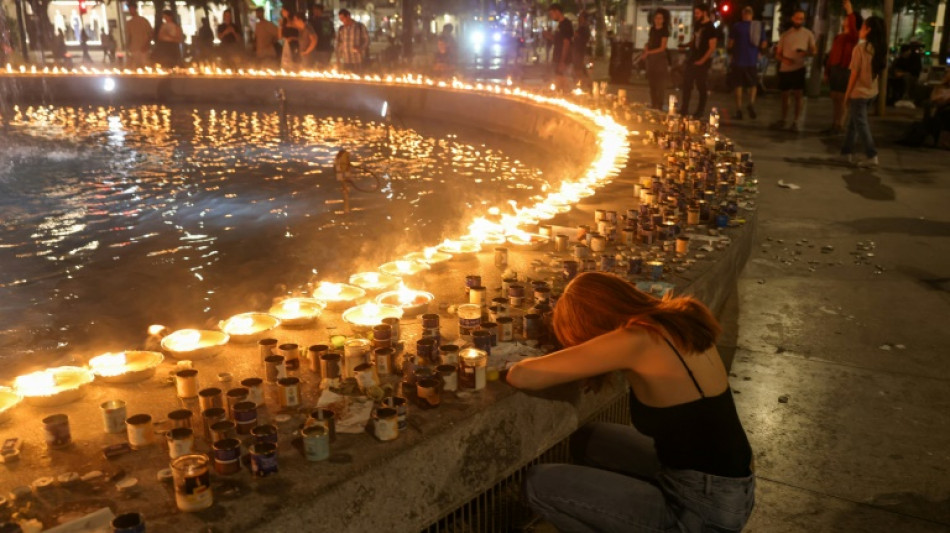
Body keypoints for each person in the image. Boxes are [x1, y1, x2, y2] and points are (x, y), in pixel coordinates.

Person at [507, 272, 755, 531]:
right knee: (588, 439)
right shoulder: (675, 318)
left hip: (702, 510)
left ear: (592, 324)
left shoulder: (637, 340)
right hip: (728, 487)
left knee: (538, 484)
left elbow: (522, 375)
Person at [841, 16, 887, 167]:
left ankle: (871, 155)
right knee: (854, 123)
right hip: (872, 92)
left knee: (860, 124)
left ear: (869, 30)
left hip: (859, 93)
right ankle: (846, 153)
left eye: (863, 28)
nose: (860, 30)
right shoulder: (880, 49)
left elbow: (854, 74)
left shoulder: (860, 49)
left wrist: (847, 95)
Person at [773, 10, 816, 131]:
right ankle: (783, 119)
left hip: (799, 68)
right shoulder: (785, 35)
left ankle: (796, 121)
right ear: (793, 19)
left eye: (801, 18)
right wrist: (784, 60)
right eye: (797, 18)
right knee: (785, 95)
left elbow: (814, 51)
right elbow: (778, 54)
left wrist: (806, 53)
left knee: (798, 95)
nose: (799, 21)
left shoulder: (808, 34)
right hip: (786, 69)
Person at [823, 0, 861, 134]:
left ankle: (840, 124)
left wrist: (850, 11)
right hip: (835, 69)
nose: (845, 21)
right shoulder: (839, 37)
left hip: (845, 69)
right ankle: (835, 123)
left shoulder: (853, 37)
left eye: (847, 19)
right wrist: (827, 72)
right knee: (835, 97)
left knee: (843, 98)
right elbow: (831, 56)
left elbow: (854, 33)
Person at [681, 4, 717, 119]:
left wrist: (702, 61)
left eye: (698, 13)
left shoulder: (711, 28)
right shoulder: (697, 25)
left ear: (704, 13)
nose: (696, 15)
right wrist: (685, 45)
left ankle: (700, 111)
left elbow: (712, 47)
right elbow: (694, 40)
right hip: (693, 58)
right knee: (687, 84)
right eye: (695, 13)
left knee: (701, 86)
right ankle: (684, 109)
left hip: (703, 61)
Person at [728, 6, 765, 119]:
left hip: (738, 60)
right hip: (752, 60)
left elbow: (730, 43)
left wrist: (730, 52)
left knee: (738, 86)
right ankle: (751, 103)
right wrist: (759, 52)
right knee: (753, 84)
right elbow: (763, 43)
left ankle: (739, 110)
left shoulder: (737, 26)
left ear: (742, 15)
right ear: (752, 15)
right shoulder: (758, 27)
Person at [643, 8, 670, 110]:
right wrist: (646, 47)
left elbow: (662, 47)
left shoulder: (664, 31)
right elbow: (650, 42)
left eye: (660, 18)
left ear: (663, 20)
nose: (658, 20)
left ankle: (659, 104)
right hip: (651, 59)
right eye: (656, 18)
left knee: (660, 84)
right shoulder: (652, 29)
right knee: (652, 82)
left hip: (659, 58)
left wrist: (649, 52)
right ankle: (654, 103)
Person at [547, 3, 573, 92]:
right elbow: (558, 41)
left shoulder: (566, 24)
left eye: (551, 14)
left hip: (564, 59)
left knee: (563, 82)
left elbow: (566, 43)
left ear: (557, 12)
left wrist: (562, 61)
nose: (551, 16)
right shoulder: (560, 25)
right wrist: (549, 36)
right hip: (558, 58)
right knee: (558, 81)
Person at [335, 9, 369, 73]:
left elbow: (366, 40)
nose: (342, 21)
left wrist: (360, 48)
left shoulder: (359, 27)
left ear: (348, 16)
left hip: (357, 60)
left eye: (343, 19)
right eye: (340, 19)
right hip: (346, 60)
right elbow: (338, 43)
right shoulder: (341, 29)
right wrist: (338, 58)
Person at [124, 3, 153, 69]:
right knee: (135, 67)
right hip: (134, 48)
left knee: (146, 67)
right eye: (129, 9)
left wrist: (147, 44)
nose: (130, 11)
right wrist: (128, 48)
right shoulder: (129, 23)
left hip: (144, 48)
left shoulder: (144, 21)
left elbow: (151, 34)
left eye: (131, 9)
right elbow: (129, 37)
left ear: (135, 9)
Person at [573, 12, 592, 91]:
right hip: (580, 49)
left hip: (579, 50)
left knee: (579, 67)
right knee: (581, 67)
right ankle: (586, 83)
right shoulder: (585, 27)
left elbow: (578, 36)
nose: (579, 18)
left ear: (583, 18)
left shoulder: (583, 27)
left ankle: (584, 83)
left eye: (580, 17)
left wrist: (575, 34)